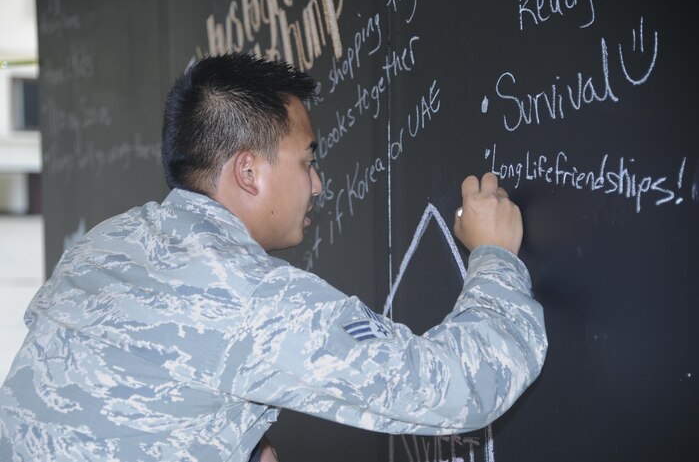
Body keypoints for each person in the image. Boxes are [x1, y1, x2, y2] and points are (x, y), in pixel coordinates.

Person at [0, 53, 547, 462]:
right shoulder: (251, 299)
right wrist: (495, 255)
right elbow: (454, 387)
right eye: (307, 159)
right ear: (247, 172)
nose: (318, 183)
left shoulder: (105, 242)